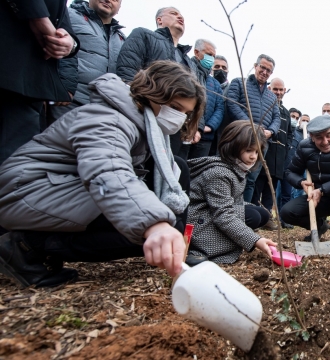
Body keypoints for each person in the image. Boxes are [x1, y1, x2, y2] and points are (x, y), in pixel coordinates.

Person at [0, 61, 206, 288]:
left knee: (177, 168)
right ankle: (26, 245)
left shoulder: (145, 127)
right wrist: (156, 225)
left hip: (59, 187)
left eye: (185, 113)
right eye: (175, 108)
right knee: (139, 228)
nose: (179, 118)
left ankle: (177, 248)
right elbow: (108, 172)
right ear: (154, 93)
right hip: (27, 190)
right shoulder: (109, 119)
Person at [185, 120, 277, 265]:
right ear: (232, 147)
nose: (253, 156)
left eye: (257, 151)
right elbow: (223, 214)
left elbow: (234, 201)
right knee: (253, 216)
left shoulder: (236, 169)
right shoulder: (219, 173)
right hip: (198, 222)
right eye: (248, 150)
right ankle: (199, 250)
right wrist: (255, 240)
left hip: (210, 211)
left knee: (262, 214)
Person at [1, 0, 80, 165]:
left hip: (31, 87)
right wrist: (39, 17)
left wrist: (69, 44)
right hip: (8, 70)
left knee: (14, 166)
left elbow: (63, 24)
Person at [115, 7, 197, 158]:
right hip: (143, 118)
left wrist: (194, 125)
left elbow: (196, 97)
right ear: (159, 20)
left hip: (174, 127)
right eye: (174, 14)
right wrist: (138, 109)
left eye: (182, 16)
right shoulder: (144, 35)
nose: (180, 18)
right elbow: (127, 71)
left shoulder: (188, 61)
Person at [50, 0, 126, 121]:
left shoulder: (121, 38)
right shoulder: (69, 15)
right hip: (68, 101)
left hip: (104, 112)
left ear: (119, 7)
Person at [226, 54, 281, 202]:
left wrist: (271, 131)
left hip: (262, 142)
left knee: (250, 179)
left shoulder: (272, 97)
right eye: (262, 67)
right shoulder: (239, 83)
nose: (264, 72)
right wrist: (252, 127)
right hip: (241, 137)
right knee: (232, 175)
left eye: (268, 70)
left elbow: (277, 117)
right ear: (255, 66)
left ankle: (244, 216)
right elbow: (232, 105)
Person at [253, 78, 293, 230]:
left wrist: (286, 148)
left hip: (279, 157)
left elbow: (289, 134)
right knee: (258, 185)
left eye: (280, 90)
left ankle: (267, 217)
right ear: (269, 89)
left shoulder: (286, 112)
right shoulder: (265, 107)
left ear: (284, 91)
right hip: (265, 152)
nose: (278, 92)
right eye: (275, 89)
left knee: (272, 188)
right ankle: (255, 217)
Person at [187, 39, 224, 159]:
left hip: (206, 136)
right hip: (186, 130)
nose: (211, 59)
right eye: (209, 55)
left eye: (213, 56)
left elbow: (220, 108)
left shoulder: (215, 84)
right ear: (197, 52)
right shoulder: (187, 70)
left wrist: (208, 127)